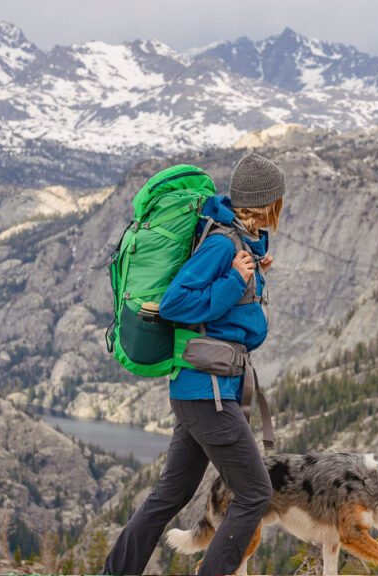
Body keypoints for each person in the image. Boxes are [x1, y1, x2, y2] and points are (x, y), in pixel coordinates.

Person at [101, 153, 284, 576]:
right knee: (255, 493)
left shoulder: (238, 244)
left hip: (204, 390)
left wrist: (253, 270)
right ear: (267, 203)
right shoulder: (222, 244)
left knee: (169, 496)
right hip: (207, 393)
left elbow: (229, 315)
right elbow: (175, 304)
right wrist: (235, 280)